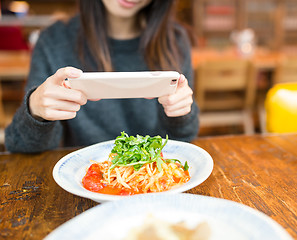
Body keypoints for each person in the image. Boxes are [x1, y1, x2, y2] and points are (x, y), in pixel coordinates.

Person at [5, 0, 199, 153]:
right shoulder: (53, 42)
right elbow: (19, 145)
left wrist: (181, 113)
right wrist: (36, 111)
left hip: (157, 181)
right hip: (84, 180)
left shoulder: (175, 40)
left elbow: (185, 137)